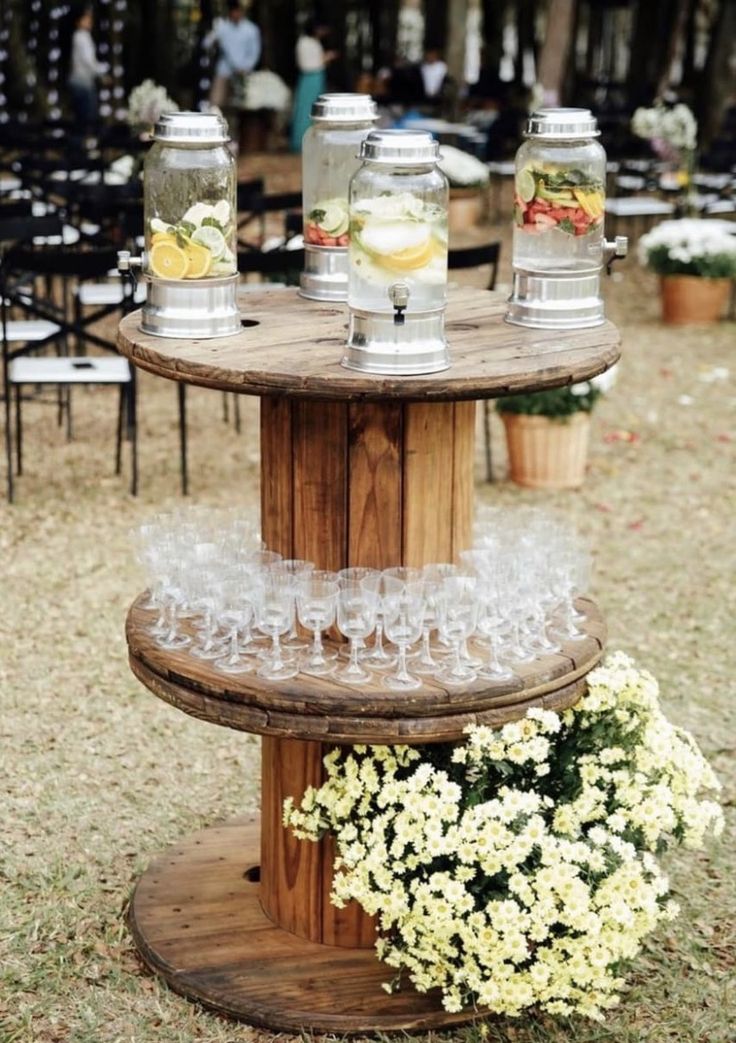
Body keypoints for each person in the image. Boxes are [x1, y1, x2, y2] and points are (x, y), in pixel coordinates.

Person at [289, 21, 337, 153]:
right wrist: (325, 59)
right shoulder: (304, 42)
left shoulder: (314, 42)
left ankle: (312, 141)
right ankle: (300, 142)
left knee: (315, 110)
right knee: (305, 110)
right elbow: (306, 64)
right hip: (309, 77)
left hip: (317, 77)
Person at [207, 0, 262, 111]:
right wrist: (214, 41)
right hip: (224, 71)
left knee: (244, 106)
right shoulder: (222, 27)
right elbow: (206, 43)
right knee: (215, 103)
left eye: (238, 11)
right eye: (233, 12)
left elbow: (255, 52)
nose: (235, 14)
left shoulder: (251, 29)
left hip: (244, 73)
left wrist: (246, 67)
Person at [67, 5, 106, 131]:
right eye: (86, 18)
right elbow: (88, 61)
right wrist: (102, 72)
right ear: (78, 21)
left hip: (85, 81)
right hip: (81, 82)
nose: (90, 21)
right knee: (85, 117)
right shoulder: (80, 37)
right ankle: (80, 146)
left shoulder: (83, 36)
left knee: (84, 118)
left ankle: (81, 143)